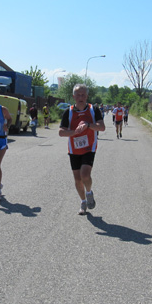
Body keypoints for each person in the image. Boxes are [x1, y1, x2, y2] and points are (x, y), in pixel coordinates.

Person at [59, 84, 105, 215]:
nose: (81, 97)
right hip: (74, 149)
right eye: (78, 95)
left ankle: (89, 192)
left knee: (85, 175)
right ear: (74, 96)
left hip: (89, 147)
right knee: (78, 179)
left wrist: (88, 125)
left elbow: (102, 127)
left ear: (87, 96)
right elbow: (61, 132)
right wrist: (74, 132)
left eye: (83, 95)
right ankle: (83, 201)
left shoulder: (93, 110)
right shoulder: (68, 112)